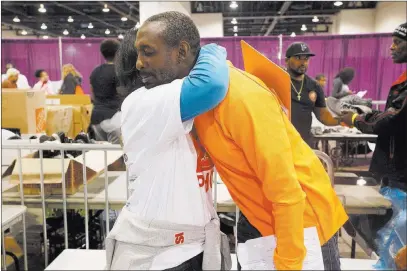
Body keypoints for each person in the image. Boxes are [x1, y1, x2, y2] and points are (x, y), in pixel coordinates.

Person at [131, 11, 348, 270]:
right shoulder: (192, 96)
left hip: (303, 225)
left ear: (181, 51)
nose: (139, 63)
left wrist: (289, 262)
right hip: (259, 219)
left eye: (148, 52)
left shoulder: (240, 96)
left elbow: (286, 190)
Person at [105, 25, 231, 270]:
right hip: (161, 254)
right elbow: (211, 84)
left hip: (186, 245)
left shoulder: (170, 104)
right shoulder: (146, 101)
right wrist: (210, 50)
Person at [341, 22, 407, 269]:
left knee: (397, 235)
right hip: (396, 167)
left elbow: (391, 120)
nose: (392, 47)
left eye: (398, 42)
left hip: (401, 169)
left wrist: (358, 119)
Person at [285, 42, 344, 146]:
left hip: (303, 144)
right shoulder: (277, 79)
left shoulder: (314, 86)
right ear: (286, 60)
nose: (303, 62)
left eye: (306, 59)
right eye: (298, 58)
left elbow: (323, 116)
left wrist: (345, 120)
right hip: (280, 143)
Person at [88, 39, 122, 143]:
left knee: (100, 154)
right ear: (118, 52)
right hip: (115, 118)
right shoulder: (120, 72)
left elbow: (92, 95)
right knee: (116, 155)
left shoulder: (95, 71)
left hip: (96, 119)